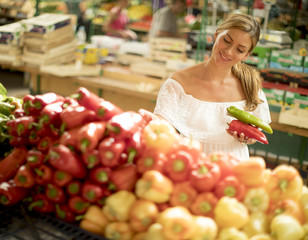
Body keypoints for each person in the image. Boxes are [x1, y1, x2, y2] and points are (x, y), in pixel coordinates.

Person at [153, 13, 271, 161]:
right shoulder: (178, 82)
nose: (228, 51)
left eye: (239, 50)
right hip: (190, 163)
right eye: (226, 40)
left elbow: (255, 133)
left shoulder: (250, 87)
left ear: (246, 55)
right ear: (216, 35)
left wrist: (247, 138)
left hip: (234, 167)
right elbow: (160, 127)